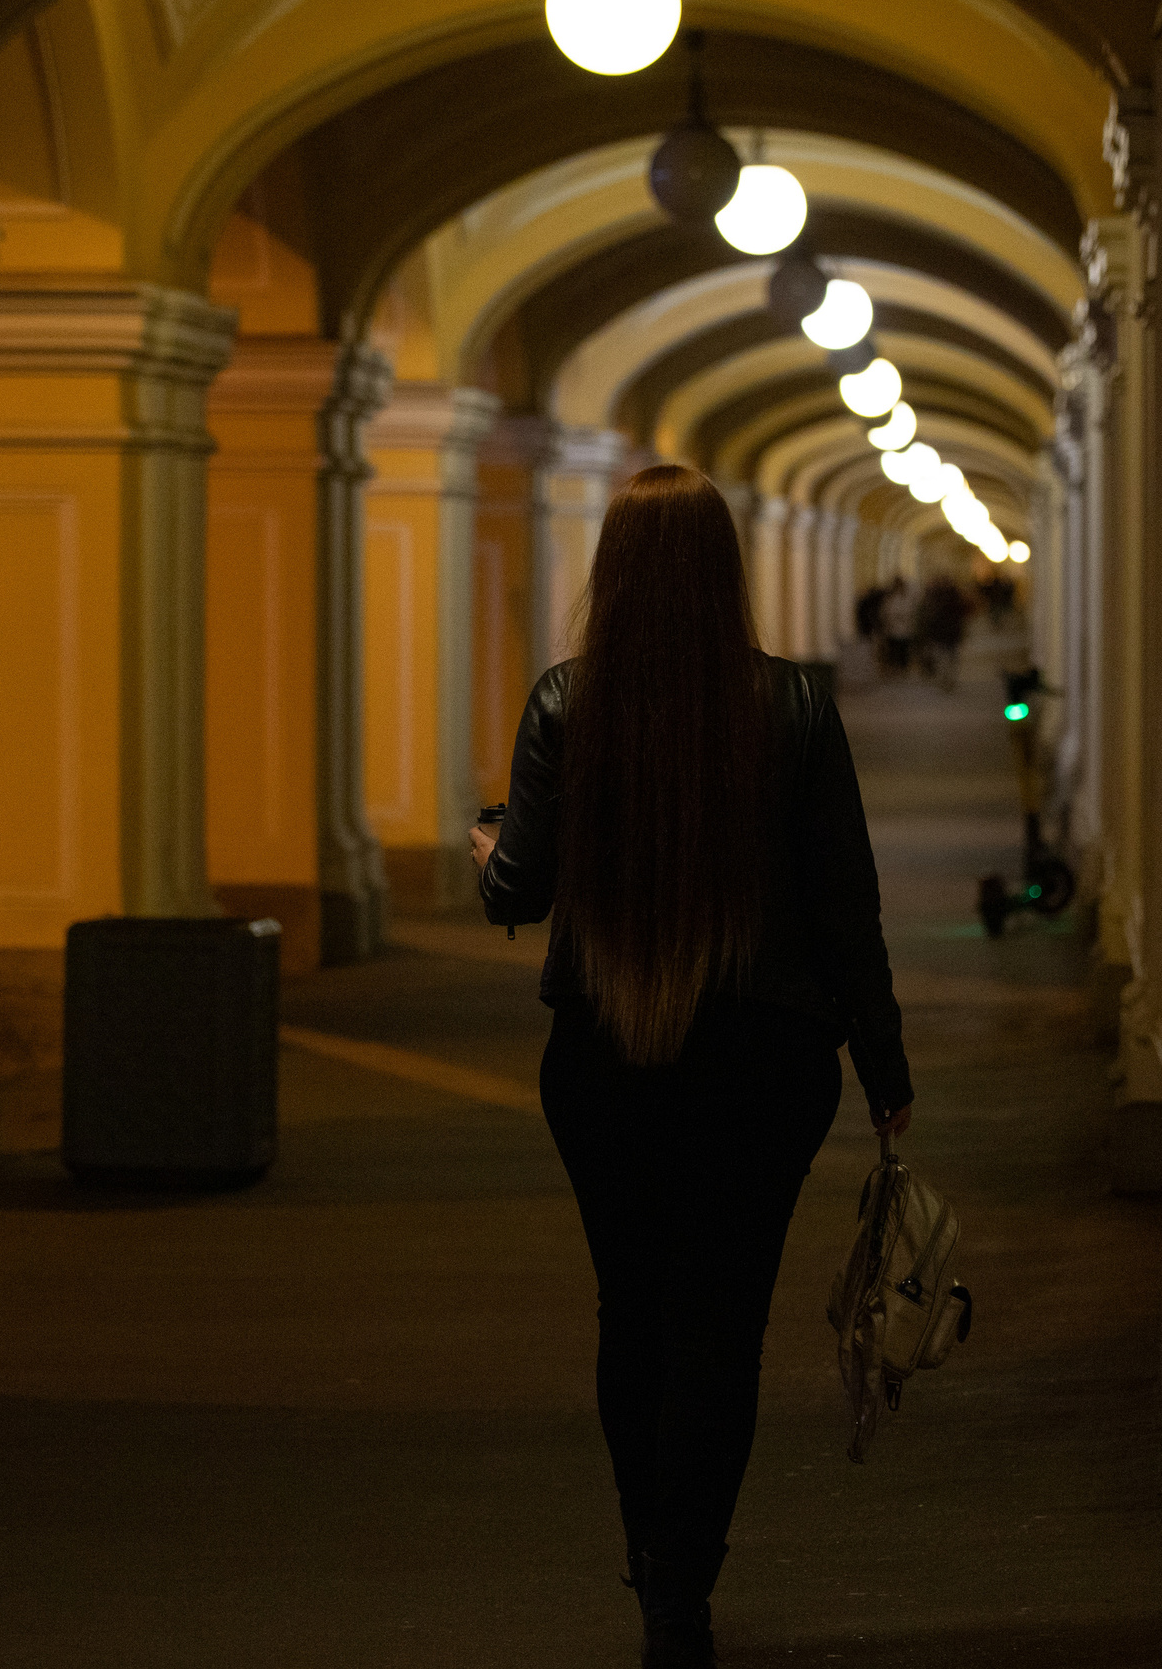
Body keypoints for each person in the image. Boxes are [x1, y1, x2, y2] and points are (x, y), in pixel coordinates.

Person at [469, 465, 913, 1669]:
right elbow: (845, 910)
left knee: (633, 1310)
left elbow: (518, 889)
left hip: (606, 1058)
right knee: (723, 1321)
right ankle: (683, 1589)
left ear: (612, 575)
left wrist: (489, 839)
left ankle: (648, 1550)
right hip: (765, 1066)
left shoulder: (570, 702)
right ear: (727, 573)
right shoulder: (795, 707)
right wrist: (887, 1072)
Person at [914, 574, 969, 690]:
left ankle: (946, 679)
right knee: (948, 658)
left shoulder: (938, 599)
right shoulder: (951, 598)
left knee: (945, 658)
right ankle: (947, 679)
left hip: (945, 634)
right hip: (946, 634)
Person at [875, 576, 916, 677]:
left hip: (905, 627)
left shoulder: (907, 598)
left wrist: (904, 618)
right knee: (894, 649)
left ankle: (902, 668)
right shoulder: (890, 598)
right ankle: (894, 667)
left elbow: (911, 611)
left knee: (903, 649)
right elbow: (885, 611)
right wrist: (890, 620)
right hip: (893, 628)